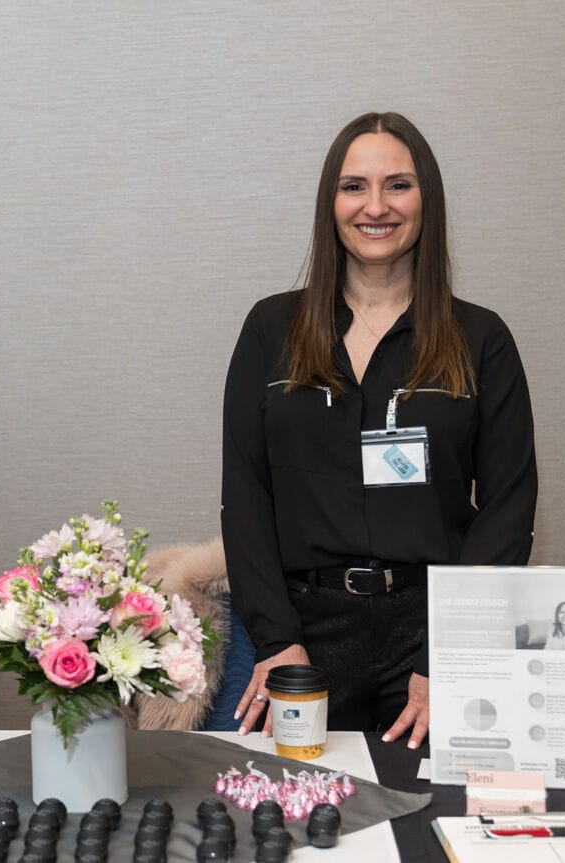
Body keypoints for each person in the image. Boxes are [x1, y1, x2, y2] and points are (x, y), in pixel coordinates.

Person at [221, 112, 537, 748]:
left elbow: (509, 507)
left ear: (427, 199)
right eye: (353, 187)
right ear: (330, 203)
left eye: (397, 185)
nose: (375, 207)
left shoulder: (481, 338)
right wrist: (278, 641)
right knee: (300, 801)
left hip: (431, 634)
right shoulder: (270, 329)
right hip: (303, 633)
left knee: (436, 803)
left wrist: (451, 650)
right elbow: (246, 495)